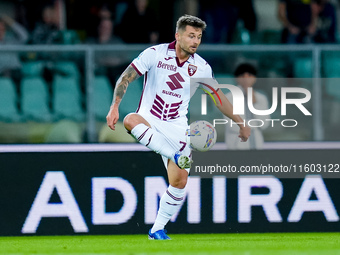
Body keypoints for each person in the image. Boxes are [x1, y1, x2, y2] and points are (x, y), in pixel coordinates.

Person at [106, 15, 251, 240]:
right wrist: (115, 106)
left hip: (177, 127)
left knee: (179, 182)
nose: (195, 41)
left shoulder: (201, 67)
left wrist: (241, 122)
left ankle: (157, 229)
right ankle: (172, 153)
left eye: (199, 37)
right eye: (191, 35)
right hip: (149, 118)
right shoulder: (155, 54)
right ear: (178, 35)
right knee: (130, 120)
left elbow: (218, 97)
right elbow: (126, 77)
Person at [225, 63, 271, 150]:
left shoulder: (261, 98)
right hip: (236, 145)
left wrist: (253, 102)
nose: (246, 79)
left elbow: (264, 124)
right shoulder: (228, 98)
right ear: (236, 78)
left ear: (255, 78)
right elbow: (232, 125)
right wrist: (252, 126)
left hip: (256, 144)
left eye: (249, 75)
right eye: (242, 75)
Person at [0, 15, 29, 84]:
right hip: (3, 74)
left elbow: (25, 36)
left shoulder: (11, 40)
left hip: (17, 72)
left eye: (3, 29)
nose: (1, 32)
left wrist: (11, 23)